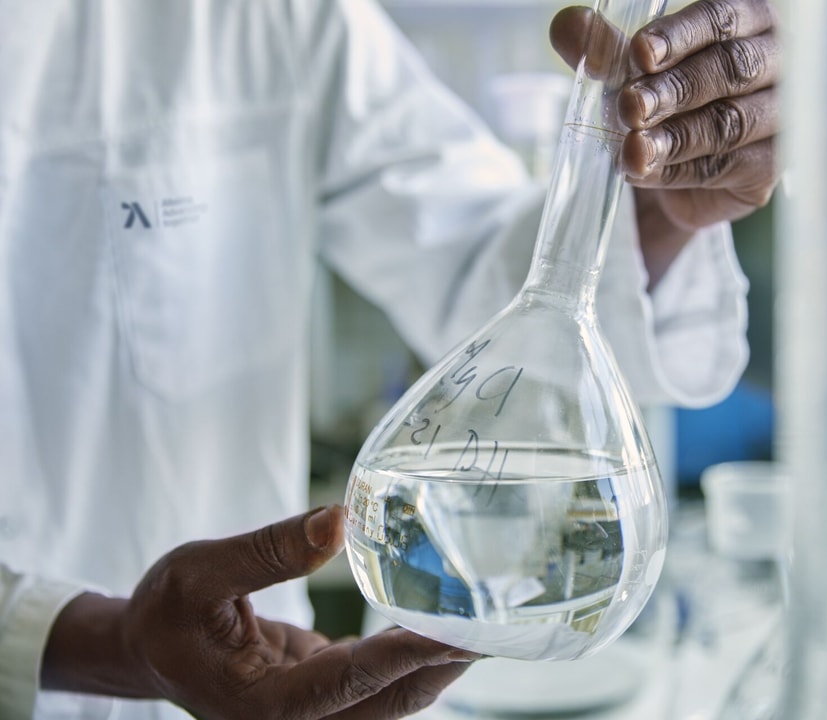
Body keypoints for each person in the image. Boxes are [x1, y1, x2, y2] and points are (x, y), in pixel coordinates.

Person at [0, 0, 780, 717]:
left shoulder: (268, 16)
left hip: (262, 666)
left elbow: (480, 266)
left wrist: (658, 192)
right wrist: (92, 641)